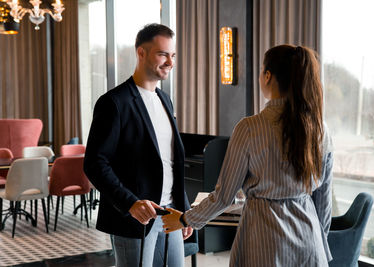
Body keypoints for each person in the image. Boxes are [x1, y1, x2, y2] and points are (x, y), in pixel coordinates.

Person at [162, 44, 334, 267]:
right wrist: (320, 243)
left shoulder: (250, 128)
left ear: (268, 76)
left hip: (263, 240)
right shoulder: (320, 129)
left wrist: (186, 219)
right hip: (309, 242)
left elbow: (224, 196)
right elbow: (323, 201)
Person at [84, 23, 192, 267]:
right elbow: (94, 163)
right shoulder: (113, 102)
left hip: (170, 215)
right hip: (133, 218)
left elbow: (170, 162)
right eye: (162, 54)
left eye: (172, 55)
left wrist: (185, 210)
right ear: (141, 53)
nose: (170, 62)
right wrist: (130, 203)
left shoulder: (166, 100)